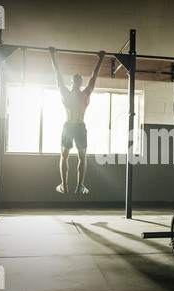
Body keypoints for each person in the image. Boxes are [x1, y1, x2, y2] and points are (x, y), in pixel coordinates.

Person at [49, 47, 106, 194]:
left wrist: (52, 55)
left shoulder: (65, 94)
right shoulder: (85, 94)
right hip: (80, 127)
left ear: (71, 82)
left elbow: (57, 75)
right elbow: (94, 77)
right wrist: (100, 59)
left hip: (68, 127)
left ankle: (64, 185)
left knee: (64, 156)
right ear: (80, 83)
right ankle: (80, 186)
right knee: (82, 157)